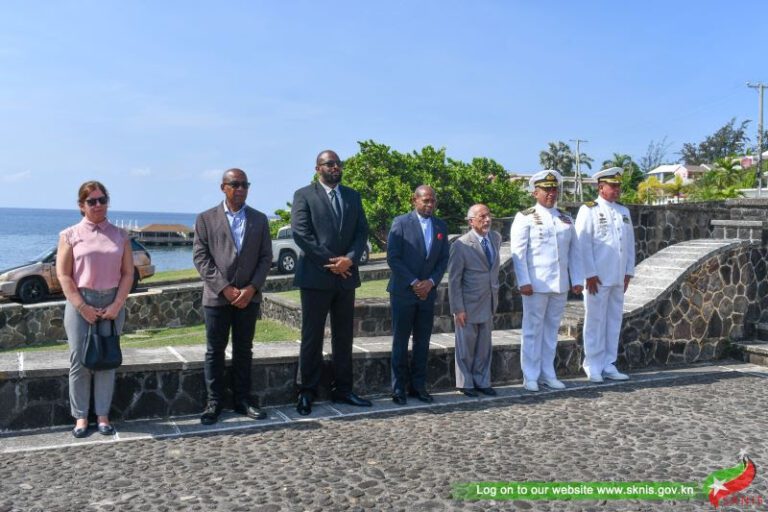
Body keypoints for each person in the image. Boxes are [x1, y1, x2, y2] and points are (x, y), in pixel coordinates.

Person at [291, 150, 371, 415]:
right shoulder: (304, 195)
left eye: (338, 164)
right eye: (330, 164)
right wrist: (333, 263)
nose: (335, 167)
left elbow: (362, 232)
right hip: (316, 277)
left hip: (346, 278)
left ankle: (344, 390)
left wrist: (349, 260)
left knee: (344, 336)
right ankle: (306, 391)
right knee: (312, 336)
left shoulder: (352, 196)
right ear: (318, 168)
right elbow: (302, 235)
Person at [193, 168, 272, 425]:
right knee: (214, 351)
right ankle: (214, 403)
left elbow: (265, 258)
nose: (240, 189)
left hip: (248, 298)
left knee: (243, 350)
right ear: (223, 187)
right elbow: (201, 257)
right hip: (217, 297)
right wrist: (224, 288)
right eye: (235, 184)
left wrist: (251, 289)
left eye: (244, 185)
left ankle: (243, 400)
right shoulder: (206, 219)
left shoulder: (259, 220)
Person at [56, 181, 134, 438]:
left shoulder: (121, 235)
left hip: (112, 301)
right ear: (82, 205)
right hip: (81, 300)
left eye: (102, 200)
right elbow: (64, 275)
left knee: (107, 360)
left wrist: (116, 304)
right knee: (79, 360)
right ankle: (80, 417)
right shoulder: (69, 235)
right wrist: (82, 307)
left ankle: (102, 415)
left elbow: (127, 274)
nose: (98, 205)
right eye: (92, 201)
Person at [510, 170, 584, 392]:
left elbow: (575, 253)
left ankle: (547, 372)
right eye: (547, 190)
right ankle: (530, 375)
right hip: (536, 284)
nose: (551, 194)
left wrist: (577, 279)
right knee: (532, 330)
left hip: (559, 284)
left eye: (554, 189)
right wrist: (523, 281)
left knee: (551, 330)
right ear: (535, 192)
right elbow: (518, 253)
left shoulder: (565, 219)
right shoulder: (525, 217)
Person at [386, 185, 450, 404]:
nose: (430, 204)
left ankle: (418, 386)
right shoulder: (401, 223)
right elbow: (393, 258)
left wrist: (430, 283)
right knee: (400, 341)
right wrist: (414, 283)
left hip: (427, 293)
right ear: (415, 200)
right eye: (425, 200)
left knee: (422, 342)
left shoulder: (441, 225)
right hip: (404, 292)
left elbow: (443, 260)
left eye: (433, 201)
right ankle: (398, 388)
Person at [575, 167, 635, 383]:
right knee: (595, 321)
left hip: (618, 277)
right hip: (597, 278)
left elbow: (629, 245)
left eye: (618, 185)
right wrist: (589, 273)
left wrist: (628, 272)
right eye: (613, 185)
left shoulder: (623, 212)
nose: (617, 189)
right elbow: (583, 244)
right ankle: (592, 364)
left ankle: (609, 363)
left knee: (613, 320)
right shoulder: (588, 210)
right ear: (601, 187)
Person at [448, 204, 502, 397]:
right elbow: (454, 281)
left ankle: (482, 381)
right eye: (482, 217)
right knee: (466, 347)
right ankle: (465, 383)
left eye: (488, 215)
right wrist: (457, 308)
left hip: (488, 301)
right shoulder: (461, 245)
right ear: (471, 221)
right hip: (468, 304)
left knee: (484, 347)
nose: (487, 220)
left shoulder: (495, 238)